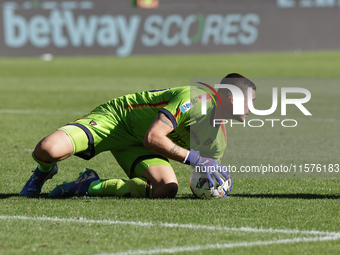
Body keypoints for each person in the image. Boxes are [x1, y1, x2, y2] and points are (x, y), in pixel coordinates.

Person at [20, 73, 256, 198]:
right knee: (47, 150)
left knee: (167, 189)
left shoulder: (218, 141)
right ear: (233, 98)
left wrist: (214, 186)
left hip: (141, 144)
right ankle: (43, 171)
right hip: (116, 120)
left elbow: (204, 176)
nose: (252, 108)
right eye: (250, 101)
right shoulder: (196, 99)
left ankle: (89, 185)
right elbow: (153, 137)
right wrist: (196, 159)